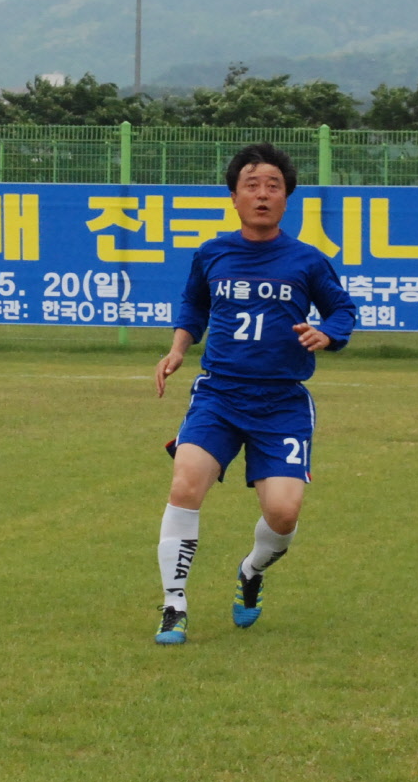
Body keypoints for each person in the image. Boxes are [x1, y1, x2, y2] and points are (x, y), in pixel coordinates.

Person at [151, 142, 357, 645]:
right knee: (185, 484)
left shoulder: (308, 261)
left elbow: (343, 312)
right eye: (252, 185)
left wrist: (326, 333)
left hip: (281, 403)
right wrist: (178, 349)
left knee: (283, 514)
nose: (263, 194)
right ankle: (174, 605)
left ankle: (251, 571)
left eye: (273, 186)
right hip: (218, 395)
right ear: (234, 196)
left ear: (287, 198)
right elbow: (193, 306)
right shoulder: (212, 253)